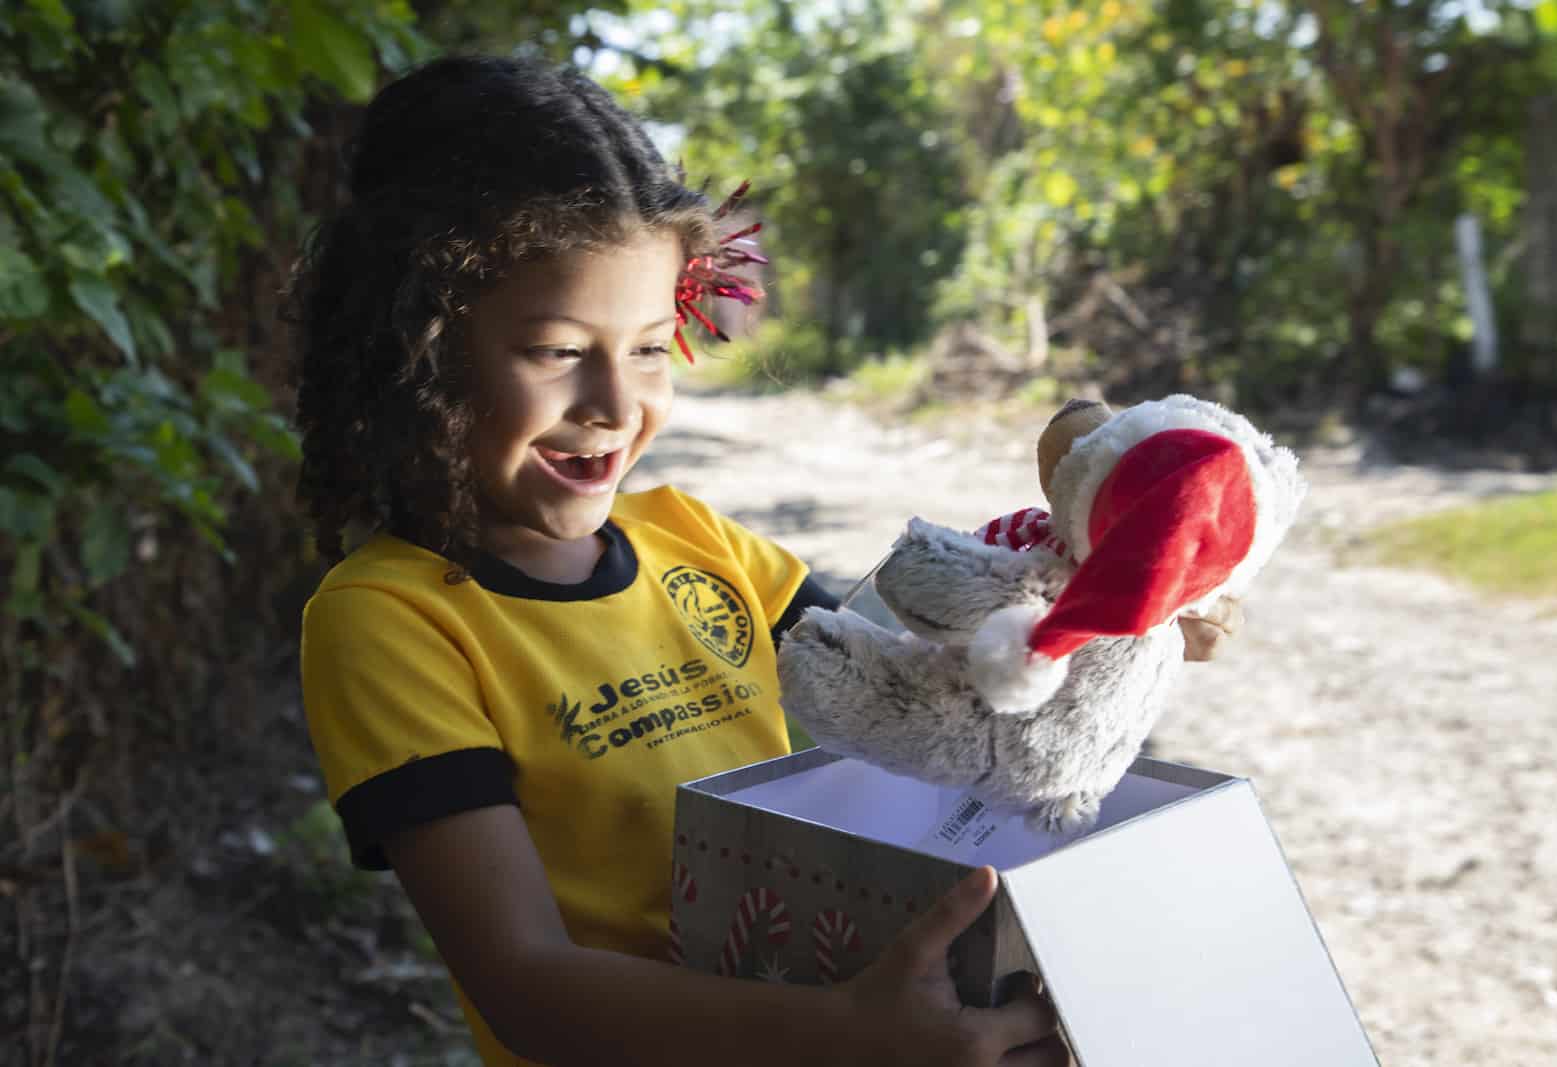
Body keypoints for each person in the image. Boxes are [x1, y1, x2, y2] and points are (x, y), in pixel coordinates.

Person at [288, 54, 1071, 1067]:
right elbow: (524, 981)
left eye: (651, 347)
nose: (618, 405)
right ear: (418, 347)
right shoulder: (390, 622)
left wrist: (1095, 601)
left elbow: (933, 682)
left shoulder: (694, 540)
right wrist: (844, 1034)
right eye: (560, 350)